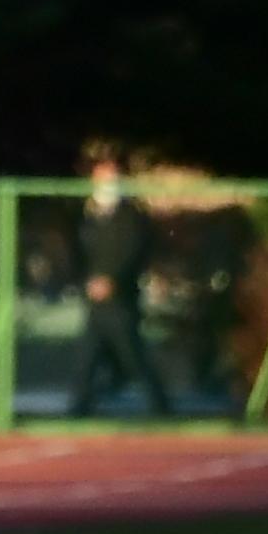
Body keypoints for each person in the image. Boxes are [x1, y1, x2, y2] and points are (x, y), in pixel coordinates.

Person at [60, 143, 166, 417]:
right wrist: (88, 282)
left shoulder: (131, 216)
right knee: (86, 357)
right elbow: (79, 254)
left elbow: (132, 252)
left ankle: (160, 407)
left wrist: (113, 280)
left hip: (121, 302)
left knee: (133, 357)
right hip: (95, 302)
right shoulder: (88, 216)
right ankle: (78, 408)